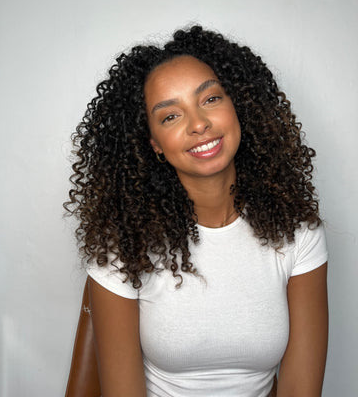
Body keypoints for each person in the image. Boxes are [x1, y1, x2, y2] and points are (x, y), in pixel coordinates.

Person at [65, 25, 328, 397]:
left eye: (210, 99)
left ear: (238, 105)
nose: (199, 124)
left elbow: (302, 390)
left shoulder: (297, 232)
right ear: (154, 143)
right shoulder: (123, 245)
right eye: (170, 116)